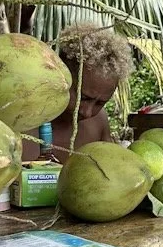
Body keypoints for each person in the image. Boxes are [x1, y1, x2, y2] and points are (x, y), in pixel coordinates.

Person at [24, 23, 134, 160]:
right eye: (84, 98)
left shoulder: (99, 122)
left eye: (100, 103)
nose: (87, 112)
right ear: (61, 76)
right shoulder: (22, 119)